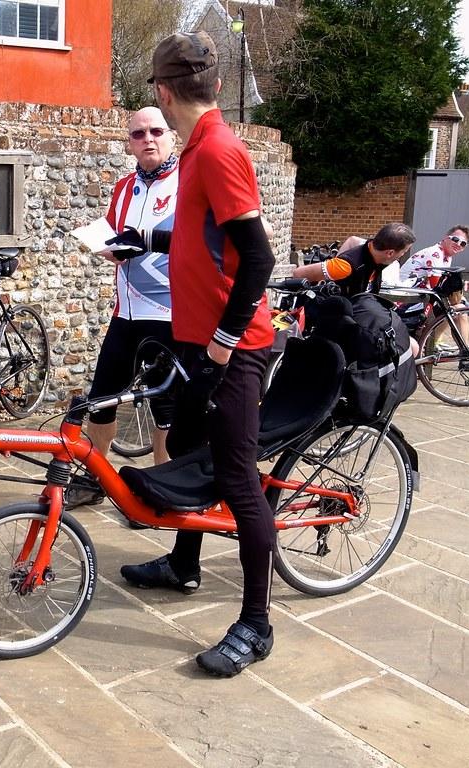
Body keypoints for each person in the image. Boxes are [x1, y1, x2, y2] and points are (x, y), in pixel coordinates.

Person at [112, 31, 278, 677]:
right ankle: (184, 565)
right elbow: (204, 235)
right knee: (184, 449)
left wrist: (222, 346)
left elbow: (258, 258)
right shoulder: (198, 148)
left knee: (237, 480)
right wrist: (146, 239)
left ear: (161, 91)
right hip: (196, 341)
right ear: (213, 84)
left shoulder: (219, 150)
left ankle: (257, 625)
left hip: (232, 348)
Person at [66, 106, 180, 508]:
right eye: (138, 134)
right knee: (101, 400)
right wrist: (106, 247)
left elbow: (202, 244)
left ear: (171, 136)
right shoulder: (125, 187)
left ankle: (165, 492)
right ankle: (94, 481)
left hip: (170, 316)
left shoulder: (188, 182)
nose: (148, 139)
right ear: (129, 143)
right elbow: (113, 235)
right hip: (126, 314)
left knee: (167, 410)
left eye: (156, 131)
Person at [398, 224, 469, 370]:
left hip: (419, 298)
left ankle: (432, 345)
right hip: (406, 301)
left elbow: (441, 288)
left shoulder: (446, 257)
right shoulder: (435, 254)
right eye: (456, 239)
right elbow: (437, 287)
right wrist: (465, 303)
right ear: (446, 238)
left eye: (463, 244)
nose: (458, 244)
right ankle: (467, 357)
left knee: (453, 310)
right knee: (458, 310)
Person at [292, 223, 416, 297]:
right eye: (404, 252)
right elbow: (298, 274)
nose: (402, 255)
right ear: (390, 253)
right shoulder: (345, 266)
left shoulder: (375, 253)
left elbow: (353, 239)